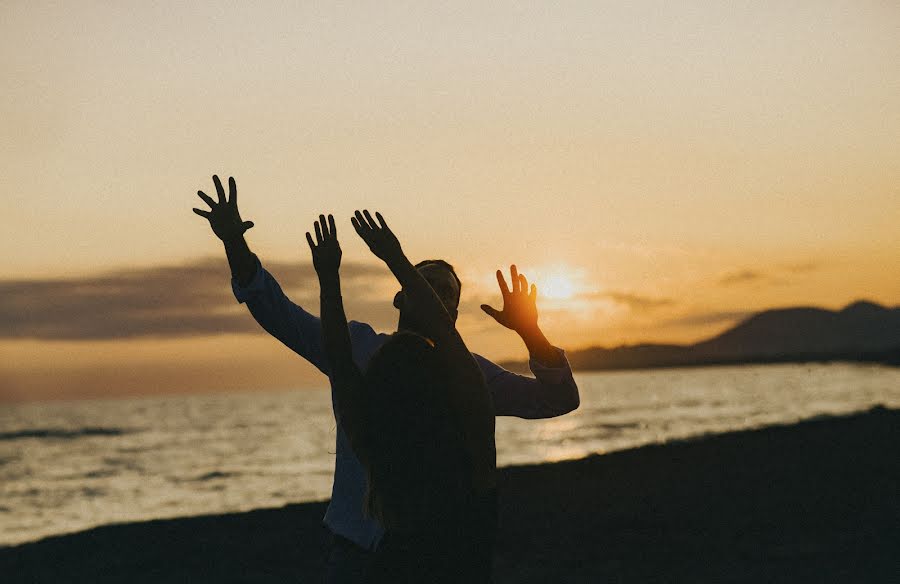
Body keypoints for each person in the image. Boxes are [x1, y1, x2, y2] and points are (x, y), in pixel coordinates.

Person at [192, 175, 580, 581]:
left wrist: (530, 332)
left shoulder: (469, 373)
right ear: (399, 294)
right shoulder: (360, 347)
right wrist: (234, 243)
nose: (433, 293)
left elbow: (558, 400)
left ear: (452, 314)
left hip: (434, 555)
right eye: (423, 281)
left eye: (445, 292)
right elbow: (277, 312)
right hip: (356, 551)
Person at [308, 211, 497, 581]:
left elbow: (341, 364)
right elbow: (445, 333)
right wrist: (394, 258)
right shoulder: (472, 452)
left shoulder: (379, 454)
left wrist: (329, 279)